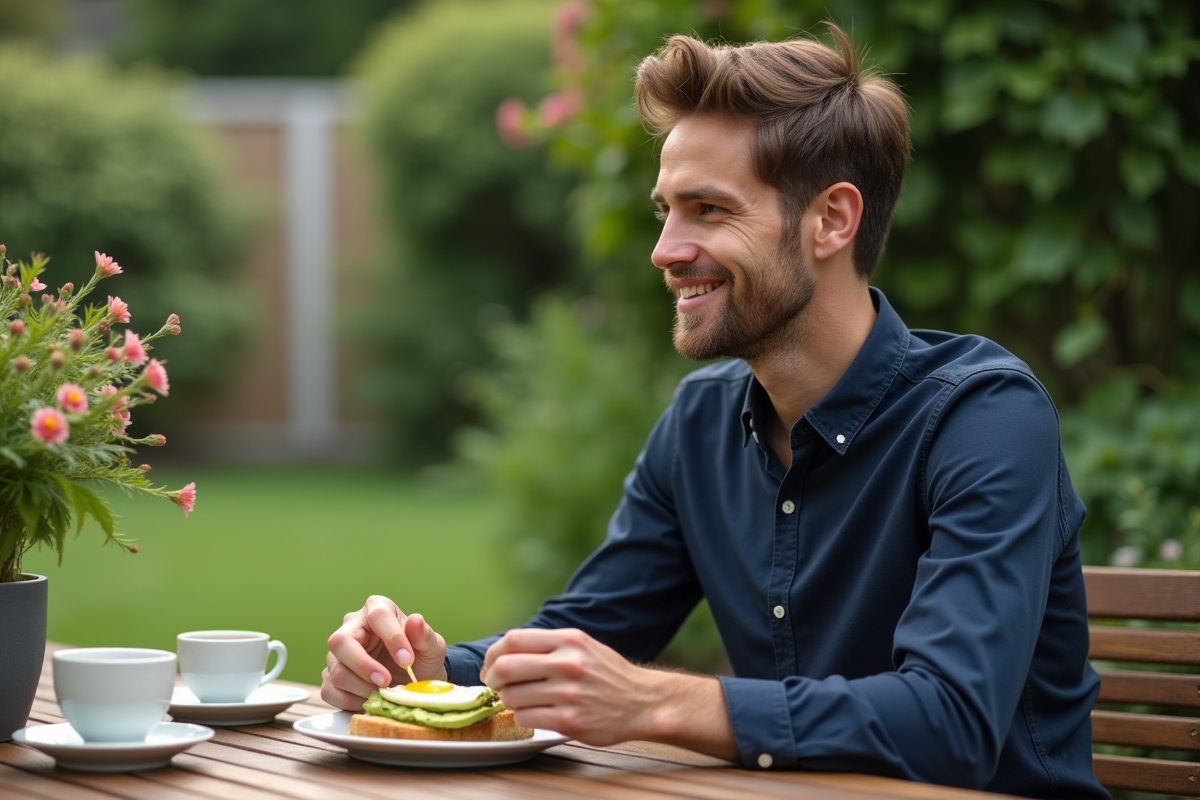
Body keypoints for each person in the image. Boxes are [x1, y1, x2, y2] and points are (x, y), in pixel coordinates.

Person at [324, 25, 1107, 798]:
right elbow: (590, 632)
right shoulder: (700, 425)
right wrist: (431, 672)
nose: (665, 249)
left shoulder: (984, 417)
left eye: (707, 210)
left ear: (832, 219)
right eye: (666, 209)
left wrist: (656, 700)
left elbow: (951, 720)